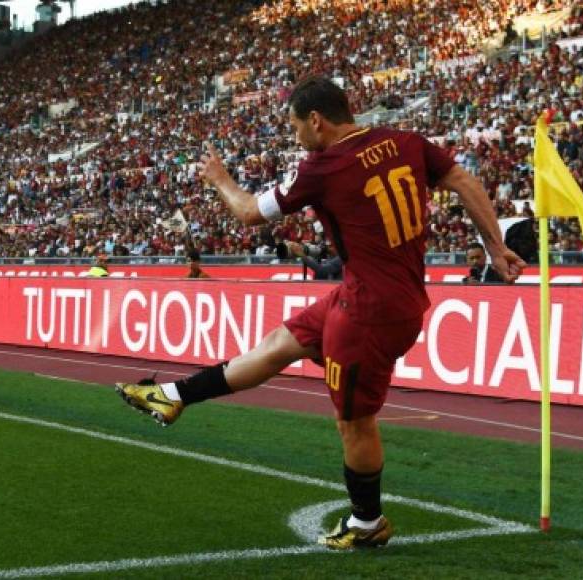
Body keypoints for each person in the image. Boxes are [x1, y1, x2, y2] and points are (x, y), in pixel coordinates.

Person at [116, 76, 525, 550]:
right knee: (279, 344)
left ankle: (367, 523)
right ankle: (174, 395)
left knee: (355, 421)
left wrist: (221, 180)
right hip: (370, 293)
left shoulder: (323, 166)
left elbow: (249, 212)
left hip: (371, 312)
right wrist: (496, 248)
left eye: (295, 126)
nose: (294, 137)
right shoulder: (406, 142)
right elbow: (463, 181)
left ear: (316, 120)